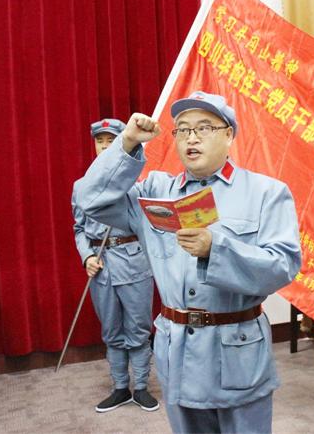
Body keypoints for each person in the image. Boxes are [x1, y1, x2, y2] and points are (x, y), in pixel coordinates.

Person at [74, 92, 302, 433]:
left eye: (204, 127)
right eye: (182, 129)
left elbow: (283, 265)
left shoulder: (266, 192)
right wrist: (127, 143)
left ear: (229, 134)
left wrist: (217, 249)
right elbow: (89, 199)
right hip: (177, 349)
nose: (191, 138)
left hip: (237, 348)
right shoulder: (155, 191)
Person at [72, 119, 159, 413]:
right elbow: (78, 228)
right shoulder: (82, 187)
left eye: (112, 141)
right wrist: (87, 256)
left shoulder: (137, 186)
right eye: (100, 141)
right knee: (111, 331)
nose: (105, 146)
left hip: (133, 262)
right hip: (101, 268)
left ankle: (142, 387)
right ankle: (120, 387)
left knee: (138, 328)